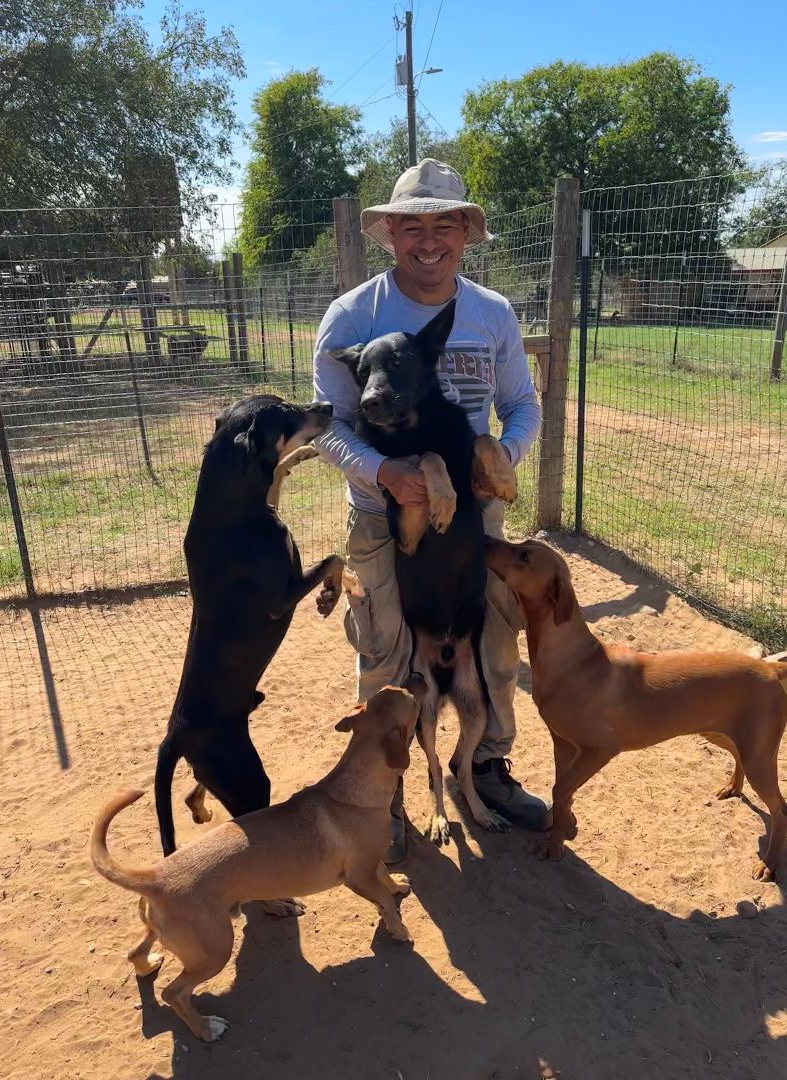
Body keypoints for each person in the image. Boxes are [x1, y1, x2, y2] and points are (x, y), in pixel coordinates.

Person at [313, 159, 550, 863]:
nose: (428, 241)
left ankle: (487, 766)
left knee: (495, 649)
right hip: (380, 519)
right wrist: (384, 473)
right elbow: (328, 425)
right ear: (389, 234)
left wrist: (501, 458)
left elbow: (523, 405)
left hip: (475, 519)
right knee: (386, 651)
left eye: (444, 225)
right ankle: (380, 796)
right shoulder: (352, 317)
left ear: (466, 234)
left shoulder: (491, 313)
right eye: (412, 226)